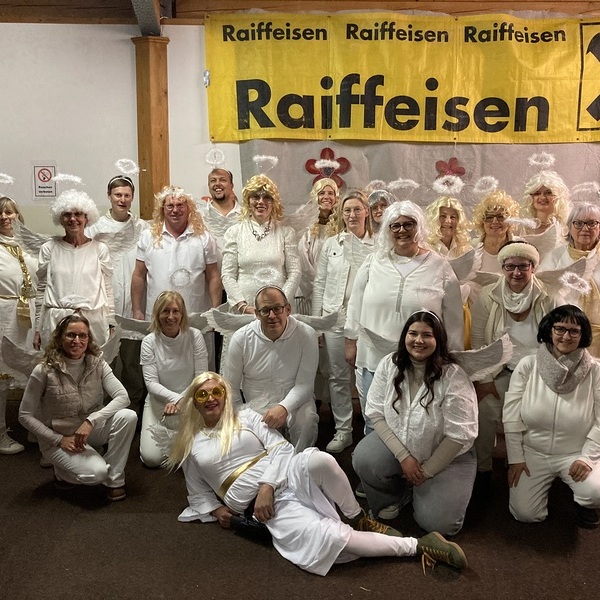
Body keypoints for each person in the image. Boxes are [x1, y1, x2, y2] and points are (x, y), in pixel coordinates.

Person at [167, 371, 468, 576]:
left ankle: (357, 516)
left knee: (320, 460)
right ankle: (419, 545)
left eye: (216, 391)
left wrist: (267, 485)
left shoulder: (246, 417)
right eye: (202, 394)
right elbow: (198, 491)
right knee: (331, 537)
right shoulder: (190, 445)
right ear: (194, 401)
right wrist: (217, 509)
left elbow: (282, 448)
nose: (211, 398)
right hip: (264, 508)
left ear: (225, 394)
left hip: (283, 476)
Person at [353, 311, 478, 535]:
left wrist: (426, 472)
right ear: (405, 337)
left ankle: (420, 486)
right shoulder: (389, 364)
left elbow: (459, 435)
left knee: (440, 525)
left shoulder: (453, 376)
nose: (419, 340)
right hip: (401, 444)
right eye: (413, 334)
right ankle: (397, 494)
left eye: (427, 335)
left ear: (438, 340)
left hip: (446, 456)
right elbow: (376, 413)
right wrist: (403, 456)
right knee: (364, 458)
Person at [345, 200, 463, 433]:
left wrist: (452, 355)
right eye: (395, 225)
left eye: (409, 224)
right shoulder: (373, 262)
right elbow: (355, 303)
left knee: (415, 422)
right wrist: (350, 340)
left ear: (419, 227)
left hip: (419, 362)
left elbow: (454, 317)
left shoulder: (439, 266)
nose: (402, 230)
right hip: (373, 358)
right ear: (387, 229)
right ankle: (376, 456)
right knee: (374, 418)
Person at [18, 314, 137, 501]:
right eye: (71, 335)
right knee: (96, 474)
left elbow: (123, 397)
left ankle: (114, 480)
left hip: (88, 430)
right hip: (61, 437)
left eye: (83, 336)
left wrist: (91, 421)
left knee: (128, 416)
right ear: (59, 338)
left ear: (89, 339)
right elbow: (24, 415)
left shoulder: (97, 363)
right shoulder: (43, 370)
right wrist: (58, 440)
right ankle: (62, 472)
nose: (77, 341)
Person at [503, 305, 600, 528]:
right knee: (525, 514)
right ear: (549, 330)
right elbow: (511, 415)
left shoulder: (595, 371)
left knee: (595, 493)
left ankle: (584, 501)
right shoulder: (528, 365)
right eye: (560, 329)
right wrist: (516, 457)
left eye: (574, 331)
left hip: (575, 452)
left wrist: (587, 458)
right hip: (533, 452)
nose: (566, 336)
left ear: (583, 335)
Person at [471, 241, 555, 485]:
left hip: (537, 372)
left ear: (533, 267)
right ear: (503, 268)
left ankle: (528, 468)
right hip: (500, 370)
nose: (516, 272)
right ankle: (482, 470)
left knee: (532, 416)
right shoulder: (488, 295)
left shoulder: (549, 296)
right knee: (484, 410)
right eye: (510, 266)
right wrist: (485, 380)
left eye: (523, 266)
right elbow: (479, 341)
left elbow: (557, 341)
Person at [131, 185, 222, 368]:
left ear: (189, 208)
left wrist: (215, 311)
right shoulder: (148, 237)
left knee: (199, 368)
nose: (175, 210)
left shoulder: (204, 238)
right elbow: (139, 275)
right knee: (159, 367)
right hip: (158, 317)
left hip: (195, 316)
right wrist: (136, 310)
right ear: (162, 209)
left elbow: (213, 276)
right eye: (170, 206)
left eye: (180, 205)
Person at [312, 189, 374, 453]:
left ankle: (372, 431)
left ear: (366, 212)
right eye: (347, 210)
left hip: (365, 321)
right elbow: (319, 283)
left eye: (357, 209)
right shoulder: (331, 244)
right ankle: (343, 431)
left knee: (368, 375)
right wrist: (318, 324)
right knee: (337, 377)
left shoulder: (377, 246)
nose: (352, 215)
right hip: (334, 318)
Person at [223, 286, 319, 452]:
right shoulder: (241, 338)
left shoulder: (306, 334)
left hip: (295, 402)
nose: (272, 315)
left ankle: (298, 460)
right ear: (257, 314)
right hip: (255, 405)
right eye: (266, 310)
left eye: (277, 308)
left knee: (307, 419)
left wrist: (284, 407)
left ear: (288, 309)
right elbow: (231, 387)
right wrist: (241, 417)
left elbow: (305, 384)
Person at [86, 175, 149, 414]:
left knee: (133, 364)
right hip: (105, 305)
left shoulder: (142, 228)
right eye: (117, 195)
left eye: (127, 195)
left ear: (132, 198)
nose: (122, 199)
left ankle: (134, 411)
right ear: (109, 196)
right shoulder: (95, 230)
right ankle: (102, 413)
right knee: (104, 362)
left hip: (135, 305)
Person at [34, 189, 114, 349]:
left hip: (93, 321)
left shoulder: (99, 249)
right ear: (60, 219)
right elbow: (41, 289)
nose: (73, 219)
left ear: (87, 218)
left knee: (93, 364)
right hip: (56, 321)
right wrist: (37, 328)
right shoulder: (49, 248)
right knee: (57, 364)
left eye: (78, 214)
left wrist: (111, 322)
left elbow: (107, 287)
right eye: (67, 214)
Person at [140, 291, 208, 467]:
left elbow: (200, 376)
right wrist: (175, 399)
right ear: (157, 314)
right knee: (151, 459)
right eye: (165, 311)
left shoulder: (195, 336)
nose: (170, 317)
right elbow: (151, 384)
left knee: (203, 455)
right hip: (158, 402)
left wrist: (182, 400)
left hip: (191, 400)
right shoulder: (149, 341)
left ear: (182, 314)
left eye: (175, 311)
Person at [221, 175, 301, 314]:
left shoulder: (286, 233)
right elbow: (228, 274)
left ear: (274, 202)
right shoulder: (234, 232)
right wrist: (242, 306)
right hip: (244, 310)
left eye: (267, 197)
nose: (261, 202)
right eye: (255, 197)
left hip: (278, 312)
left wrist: (280, 304)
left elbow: (295, 272)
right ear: (248, 200)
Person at [0, 196, 36, 454]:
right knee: (2, 376)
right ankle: (0, 433)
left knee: (32, 372)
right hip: (4, 314)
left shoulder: (29, 245)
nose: (4, 217)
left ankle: (34, 427)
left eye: (9, 212)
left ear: (17, 215)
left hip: (29, 316)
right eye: (0, 213)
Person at [540, 202, 600, 357]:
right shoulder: (554, 257)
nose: (585, 229)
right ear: (569, 227)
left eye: (592, 223)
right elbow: (543, 294)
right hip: (566, 335)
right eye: (578, 223)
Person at [296, 178, 339, 314]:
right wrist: (316, 291)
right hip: (307, 293)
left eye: (331, 193)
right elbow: (303, 262)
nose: (326, 197)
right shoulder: (305, 227)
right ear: (315, 197)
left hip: (334, 295)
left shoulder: (341, 227)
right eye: (321, 193)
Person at [471, 190, 521, 275]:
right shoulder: (471, 248)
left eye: (501, 217)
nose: (495, 221)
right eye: (489, 217)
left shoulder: (521, 247)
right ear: (482, 222)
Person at [198, 168, 242, 252]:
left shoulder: (246, 215)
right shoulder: (199, 217)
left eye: (222, 180)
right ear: (209, 186)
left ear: (231, 185)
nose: (217, 183)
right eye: (213, 181)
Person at [520, 171, 570, 236]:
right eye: (537, 193)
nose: (542, 197)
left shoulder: (566, 227)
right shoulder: (522, 228)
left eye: (548, 193)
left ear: (558, 196)